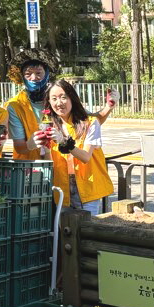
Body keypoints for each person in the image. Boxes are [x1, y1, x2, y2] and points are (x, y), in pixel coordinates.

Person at [33, 79, 118, 214]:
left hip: (87, 186)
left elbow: (85, 157)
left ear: (72, 98)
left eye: (63, 97)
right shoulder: (48, 126)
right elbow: (49, 163)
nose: (59, 103)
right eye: (54, 98)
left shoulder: (90, 123)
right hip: (62, 187)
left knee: (86, 225)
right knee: (65, 226)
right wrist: (45, 147)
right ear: (49, 102)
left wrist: (63, 141)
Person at [6, 48, 62, 161]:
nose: (34, 78)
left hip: (60, 163)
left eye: (38, 73)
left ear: (47, 74)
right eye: (28, 74)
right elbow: (19, 147)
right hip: (28, 165)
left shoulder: (60, 100)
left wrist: (62, 139)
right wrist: (30, 144)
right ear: (22, 77)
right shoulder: (15, 106)